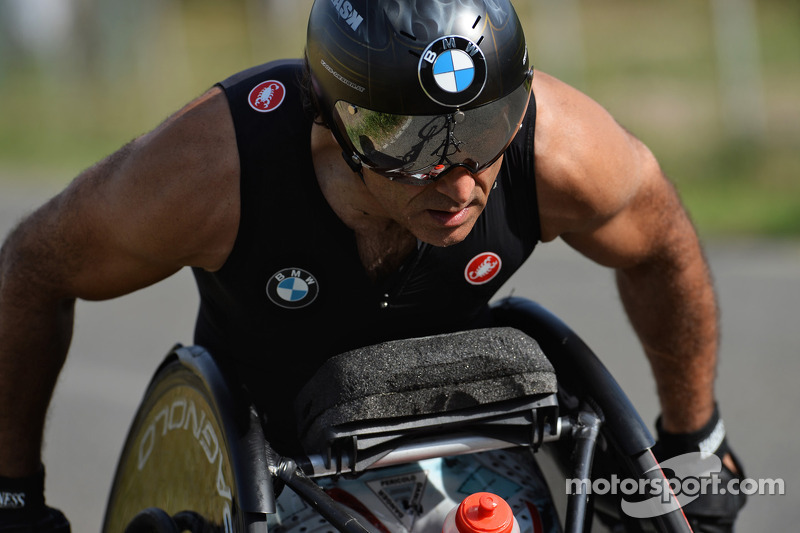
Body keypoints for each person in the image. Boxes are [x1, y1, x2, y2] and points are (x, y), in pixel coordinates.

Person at [0, 0, 745, 531]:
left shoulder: (556, 148)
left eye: (484, 128)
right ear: (332, 119)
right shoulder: (212, 172)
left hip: (464, 421)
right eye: (413, 146)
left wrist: (694, 438)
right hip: (269, 444)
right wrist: (13, 494)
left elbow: (657, 238)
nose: (460, 184)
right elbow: (34, 267)